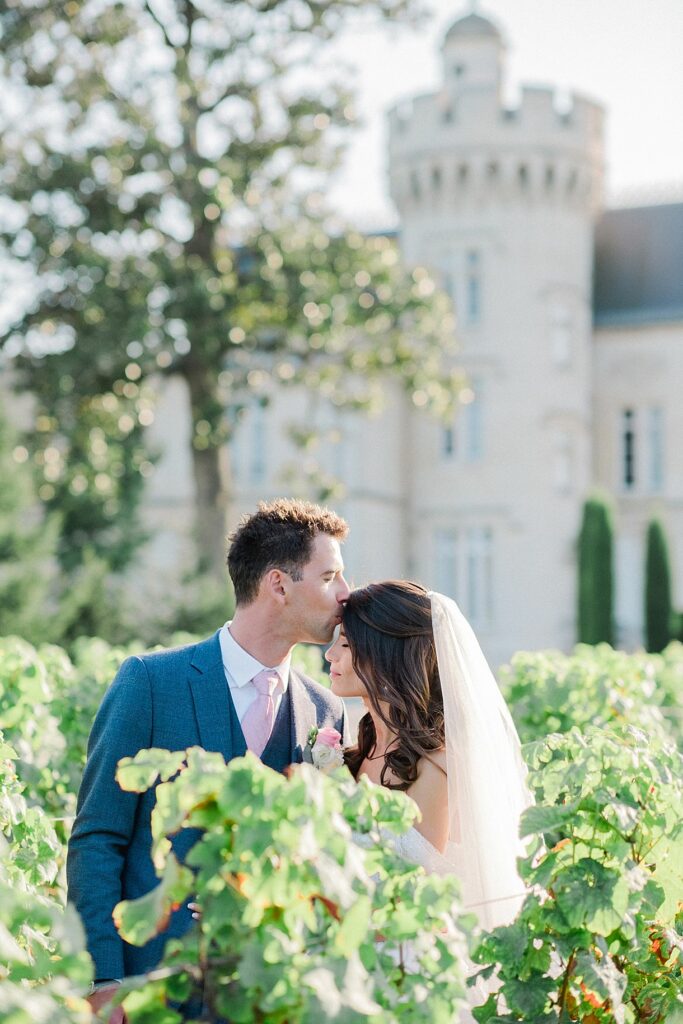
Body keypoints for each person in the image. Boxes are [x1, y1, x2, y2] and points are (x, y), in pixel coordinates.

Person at [67, 498, 350, 1022]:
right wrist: (102, 979)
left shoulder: (325, 709)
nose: (345, 593)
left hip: (273, 997)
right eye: (330, 575)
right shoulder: (150, 683)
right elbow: (98, 837)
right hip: (158, 993)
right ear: (279, 585)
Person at [325, 579, 531, 931]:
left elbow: (404, 902)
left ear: (385, 654)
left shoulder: (436, 767)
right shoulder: (356, 751)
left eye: (344, 644)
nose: (330, 655)